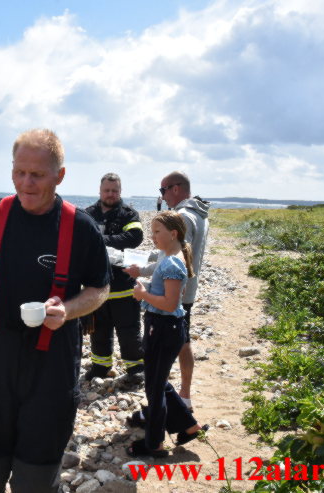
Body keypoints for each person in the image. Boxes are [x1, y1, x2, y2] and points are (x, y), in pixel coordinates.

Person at [0, 129, 110, 493]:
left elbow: (101, 289)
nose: (25, 182)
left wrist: (67, 309)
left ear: (59, 176)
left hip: (52, 366)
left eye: (36, 174)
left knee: (36, 478)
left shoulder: (81, 227)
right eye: (19, 172)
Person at [125, 171, 209, 410]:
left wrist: (142, 272)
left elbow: (171, 253)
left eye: (162, 191)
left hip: (173, 294)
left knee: (167, 350)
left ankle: (173, 401)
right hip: (186, 289)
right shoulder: (199, 213)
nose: (161, 197)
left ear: (175, 189)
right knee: (182, 341)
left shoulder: (182, 216)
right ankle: (183, 395)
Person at [126, 211, 208, 457]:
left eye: (157, 232)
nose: (152, 237)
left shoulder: (173, 262)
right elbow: (166, 292)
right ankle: (189, 427)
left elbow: (170, 304)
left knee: (154, 387)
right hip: (164, 327)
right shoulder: (171, 255)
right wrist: (141, 276)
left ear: (173, 234)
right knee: (159, 382)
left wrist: (143, 295)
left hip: (164, 327)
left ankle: (154, 444)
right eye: (151, 231)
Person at [84, 173, 145, 382]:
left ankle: (136, 369)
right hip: (97, 287)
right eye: (107, 190)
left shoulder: (129, 214)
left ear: (120, 191)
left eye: (115, 191)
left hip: (124, 285)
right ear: (100, 191)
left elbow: (135, 237)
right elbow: (80, 239)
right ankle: (100, 368)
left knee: (129, 330)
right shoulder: (88, 214)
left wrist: (100, 240)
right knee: (98, 331)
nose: (111, 194)